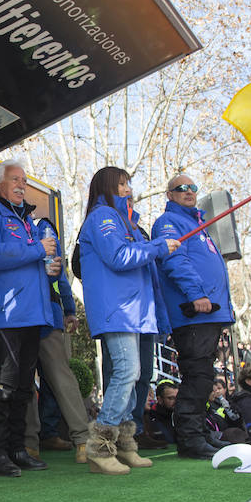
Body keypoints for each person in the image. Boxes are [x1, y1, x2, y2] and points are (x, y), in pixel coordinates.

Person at [77, 167, 178, 474]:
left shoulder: (125, 221)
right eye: (121, 184)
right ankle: (100, 445)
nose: (128, 189)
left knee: (134, 377)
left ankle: (125, 445)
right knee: (126, 372)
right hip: (117, 309)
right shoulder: (103, 218)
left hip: (133, 310)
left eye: (128, 184)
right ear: (107, 187)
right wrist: (158, 246)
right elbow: (119, 257)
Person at [0, 159, 59, 477]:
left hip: (33, 314)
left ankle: (17, 448)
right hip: (4, 314)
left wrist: (48, 269)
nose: (21, 185)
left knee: (23, 388)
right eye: (15, 179)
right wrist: (37, 250)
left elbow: (28, 260)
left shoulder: (28, 222)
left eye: (24, 180)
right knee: (2, 385)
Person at [152, 174, 234, 459]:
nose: (188, 192)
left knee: (204, 376)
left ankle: (200, 433)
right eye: (181, 188)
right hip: (193, 312)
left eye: (192, 188)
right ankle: (189, 439)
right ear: (169, 194)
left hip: (210, 312)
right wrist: (196, 294)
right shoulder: (168, 223)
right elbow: (175, 260)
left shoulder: (198, 224)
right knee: (197, 376)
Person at [24, 217, 89, 464]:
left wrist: (69, 310)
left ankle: (83, 439)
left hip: (46, 313)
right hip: (17, 316)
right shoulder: (4, 222)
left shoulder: (42, 226)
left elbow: (58, 273)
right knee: (23, 381)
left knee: (61, 376)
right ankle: (29, 443)